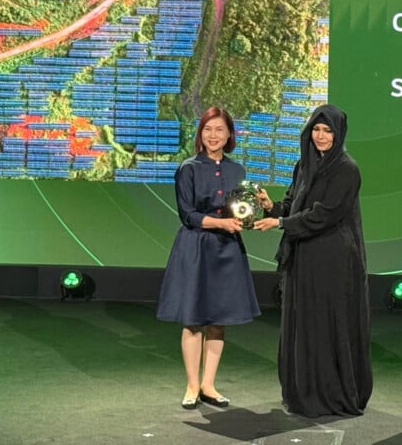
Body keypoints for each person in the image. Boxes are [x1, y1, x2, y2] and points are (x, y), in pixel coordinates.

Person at [254, 104, 372, 417]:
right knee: (304, 324)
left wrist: (280, 224)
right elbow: (295, 205)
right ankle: (303, 392)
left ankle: (330, 394)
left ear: (338, 133)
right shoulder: (304, 165)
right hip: (303, 257)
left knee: (325, 325)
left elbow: (324, 215)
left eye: (327, 130)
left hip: (332, 260)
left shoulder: (347, 169)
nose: (320, 136)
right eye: (316, 130)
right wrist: (273, 207)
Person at [156, 107, 260, 410]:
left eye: (219, 130)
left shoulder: (237, 171)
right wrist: (220, 224)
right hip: (196, 246)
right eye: (207, 130)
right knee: (193, 320)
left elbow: (240, 209)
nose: (213, 136)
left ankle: (209, 385)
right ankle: (191, 385)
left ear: (229, 135)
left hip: (227, 248)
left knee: (219, 320)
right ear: (200, 134)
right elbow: (187, 214)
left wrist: (253, 211)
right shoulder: (187, 168)